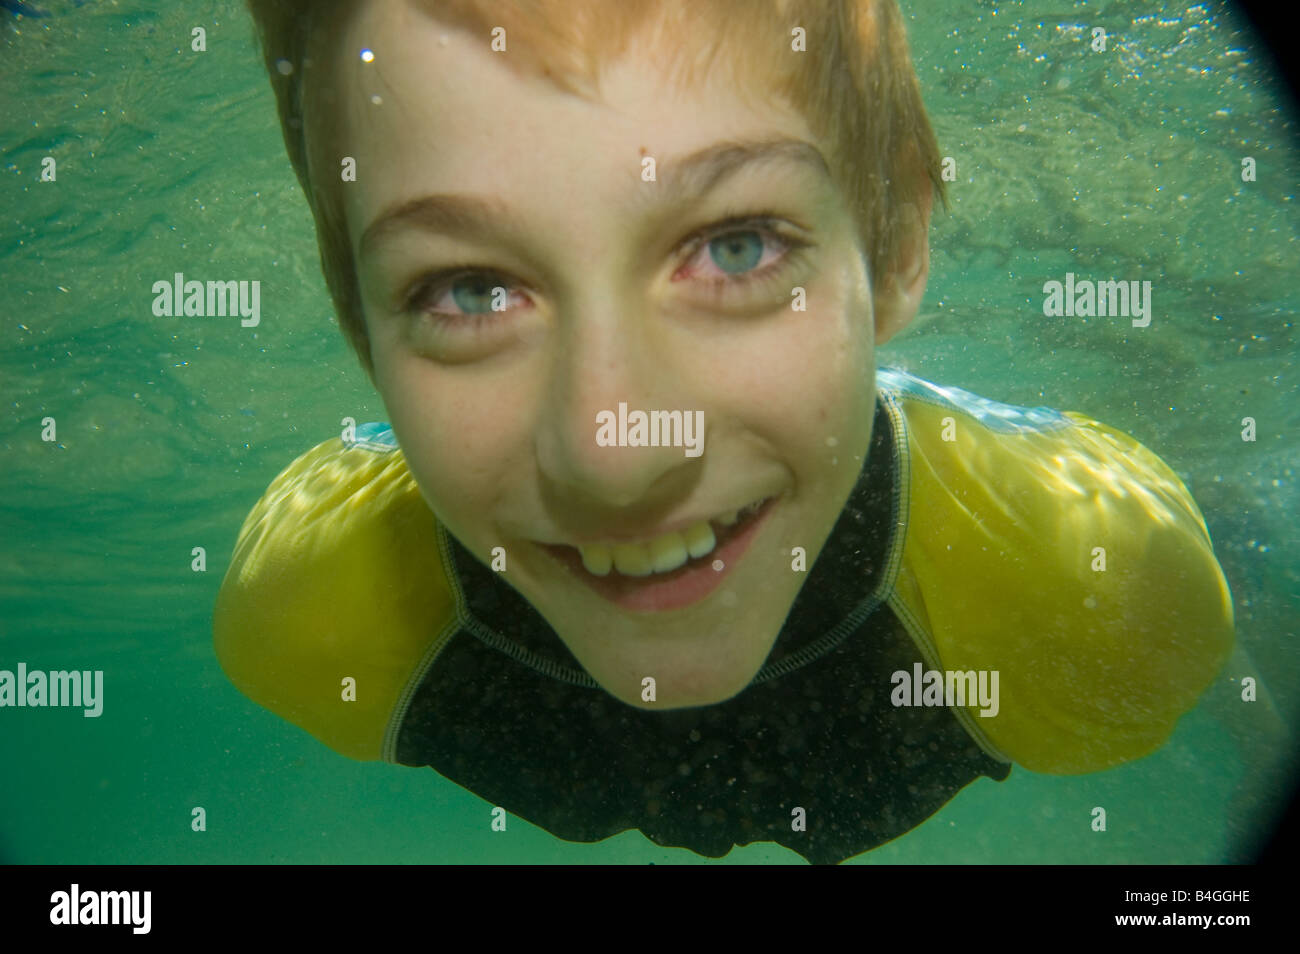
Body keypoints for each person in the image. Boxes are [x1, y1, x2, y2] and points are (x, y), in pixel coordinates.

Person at [214, 0, 1234, 864]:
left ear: (898, 242)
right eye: (468, 290)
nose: (615, 457)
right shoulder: (312, 622)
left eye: (735, 246)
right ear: (358, 329)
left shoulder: (1094, 597)